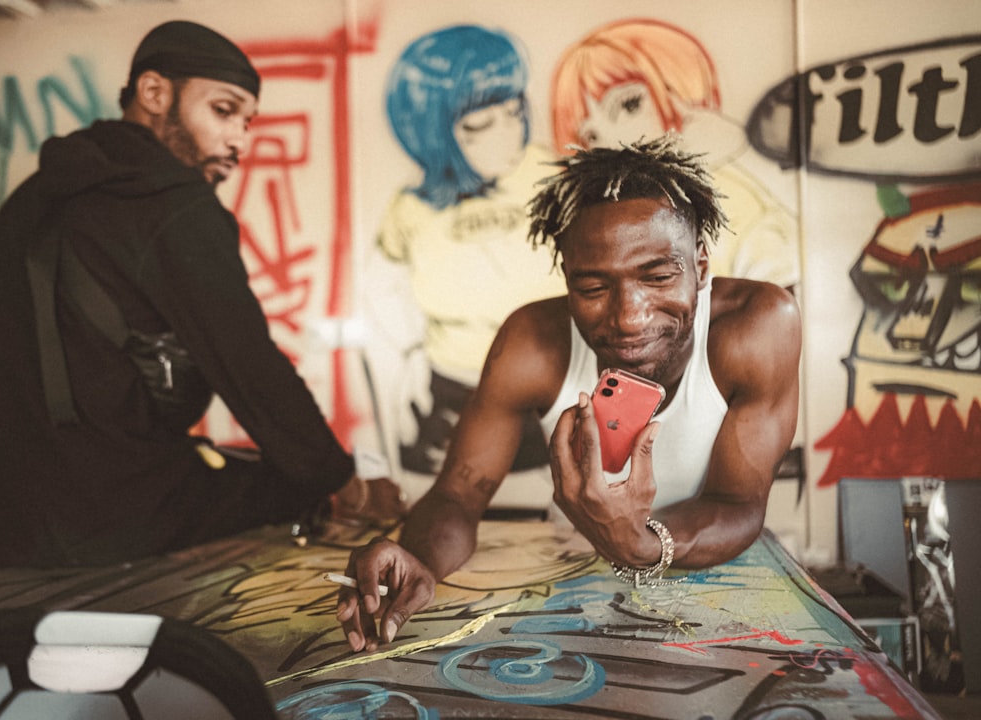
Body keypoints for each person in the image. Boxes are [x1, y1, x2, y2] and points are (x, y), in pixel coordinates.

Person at [0, 20, 400, 568]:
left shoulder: (33, 195)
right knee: (290, 482)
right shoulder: (177, 208)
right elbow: (251, 371)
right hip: (96, 523)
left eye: (248, 122)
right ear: (154, 93)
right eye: (223, 111)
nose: (239, 140)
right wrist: (344, 484)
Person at [337, 136, 801, 652]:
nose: (629, 317)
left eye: (659, 276)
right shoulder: (533, 341)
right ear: (566, 278)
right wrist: (419, 557)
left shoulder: (756, 327)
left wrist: (643, 543)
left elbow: (737, 503)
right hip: (578, 600)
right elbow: (457, 494)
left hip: (725, 590)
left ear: (702, 265)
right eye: (593, 288)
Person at [368, 25, 565, 487]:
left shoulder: (557, 180)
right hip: (452, 403)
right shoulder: (411, 208)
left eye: (514, 112)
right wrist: (403, 369)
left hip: (551, 401)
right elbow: (382, 297)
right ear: (433, 131)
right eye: (478, 125)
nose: (506, 135)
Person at [551, 18, 800, 291]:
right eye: (591, 136)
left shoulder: (749, 219)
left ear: (682, 95)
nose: (613, 141)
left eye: (629, 105)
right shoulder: (588, 231)